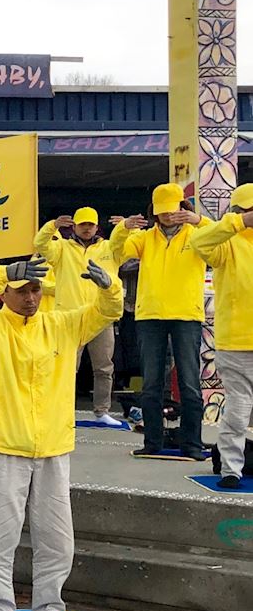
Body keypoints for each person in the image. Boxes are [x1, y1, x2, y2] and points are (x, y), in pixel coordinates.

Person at [0, 256, 121, 611]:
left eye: (36, 290)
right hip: (3, 444)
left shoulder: (63, 324)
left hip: (52, 447)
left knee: (57, 539)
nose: (31, 298)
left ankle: (49, 609)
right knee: (0, 537)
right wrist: (1, 273)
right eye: (22, 291)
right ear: (4, 294)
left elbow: (107, 311)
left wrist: (109, 286)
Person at [110, 184, 213, 459]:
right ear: (154, 211)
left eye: (171, 210)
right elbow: (116, 253)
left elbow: (220, 238)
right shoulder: (145, 238)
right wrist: (123, 228)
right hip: (150, 316)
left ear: (182, 207)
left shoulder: (197, 234)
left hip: (186, 315)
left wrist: (199, 220)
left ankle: (192, 444)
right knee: (151, 384)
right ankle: (152, 442)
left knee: (189, 383)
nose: (167, 215)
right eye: (161, 211)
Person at [34, 207, 123, 425]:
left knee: (104, 367)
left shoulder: (109, 247)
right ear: (74, 226)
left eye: (90, 225)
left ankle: (102, 412)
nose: (86, 229)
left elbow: (128, 246)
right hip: (69, 317)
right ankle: (62, 410)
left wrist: (125, 227)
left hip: (100, 315)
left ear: (96, 226)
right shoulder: (62, 248)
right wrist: (53, 226)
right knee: (65, 366)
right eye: (82, 224)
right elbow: (40, 244)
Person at [191, 184, 253, 487]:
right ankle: (231, 469)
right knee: (238, 413)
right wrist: (238, 223)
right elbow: (198, 242)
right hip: (236, 343)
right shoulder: (227, 242)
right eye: (247, 210)